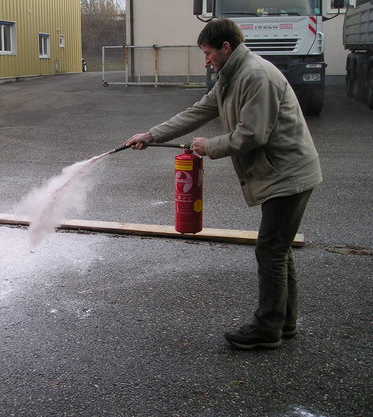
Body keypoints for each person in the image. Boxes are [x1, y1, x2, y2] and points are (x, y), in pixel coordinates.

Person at [124, 18, 322, 350]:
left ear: (225, 48)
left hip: (289, 174)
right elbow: (198, 110)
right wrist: (151, 135)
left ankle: (267, 328)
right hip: (282, 172)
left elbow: (252, 134)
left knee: (270, 250)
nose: (206, 60)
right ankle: (282, 322)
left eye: (208, 53)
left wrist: (209, 146)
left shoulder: (256, 76)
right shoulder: (232, 75)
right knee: (278, 249)